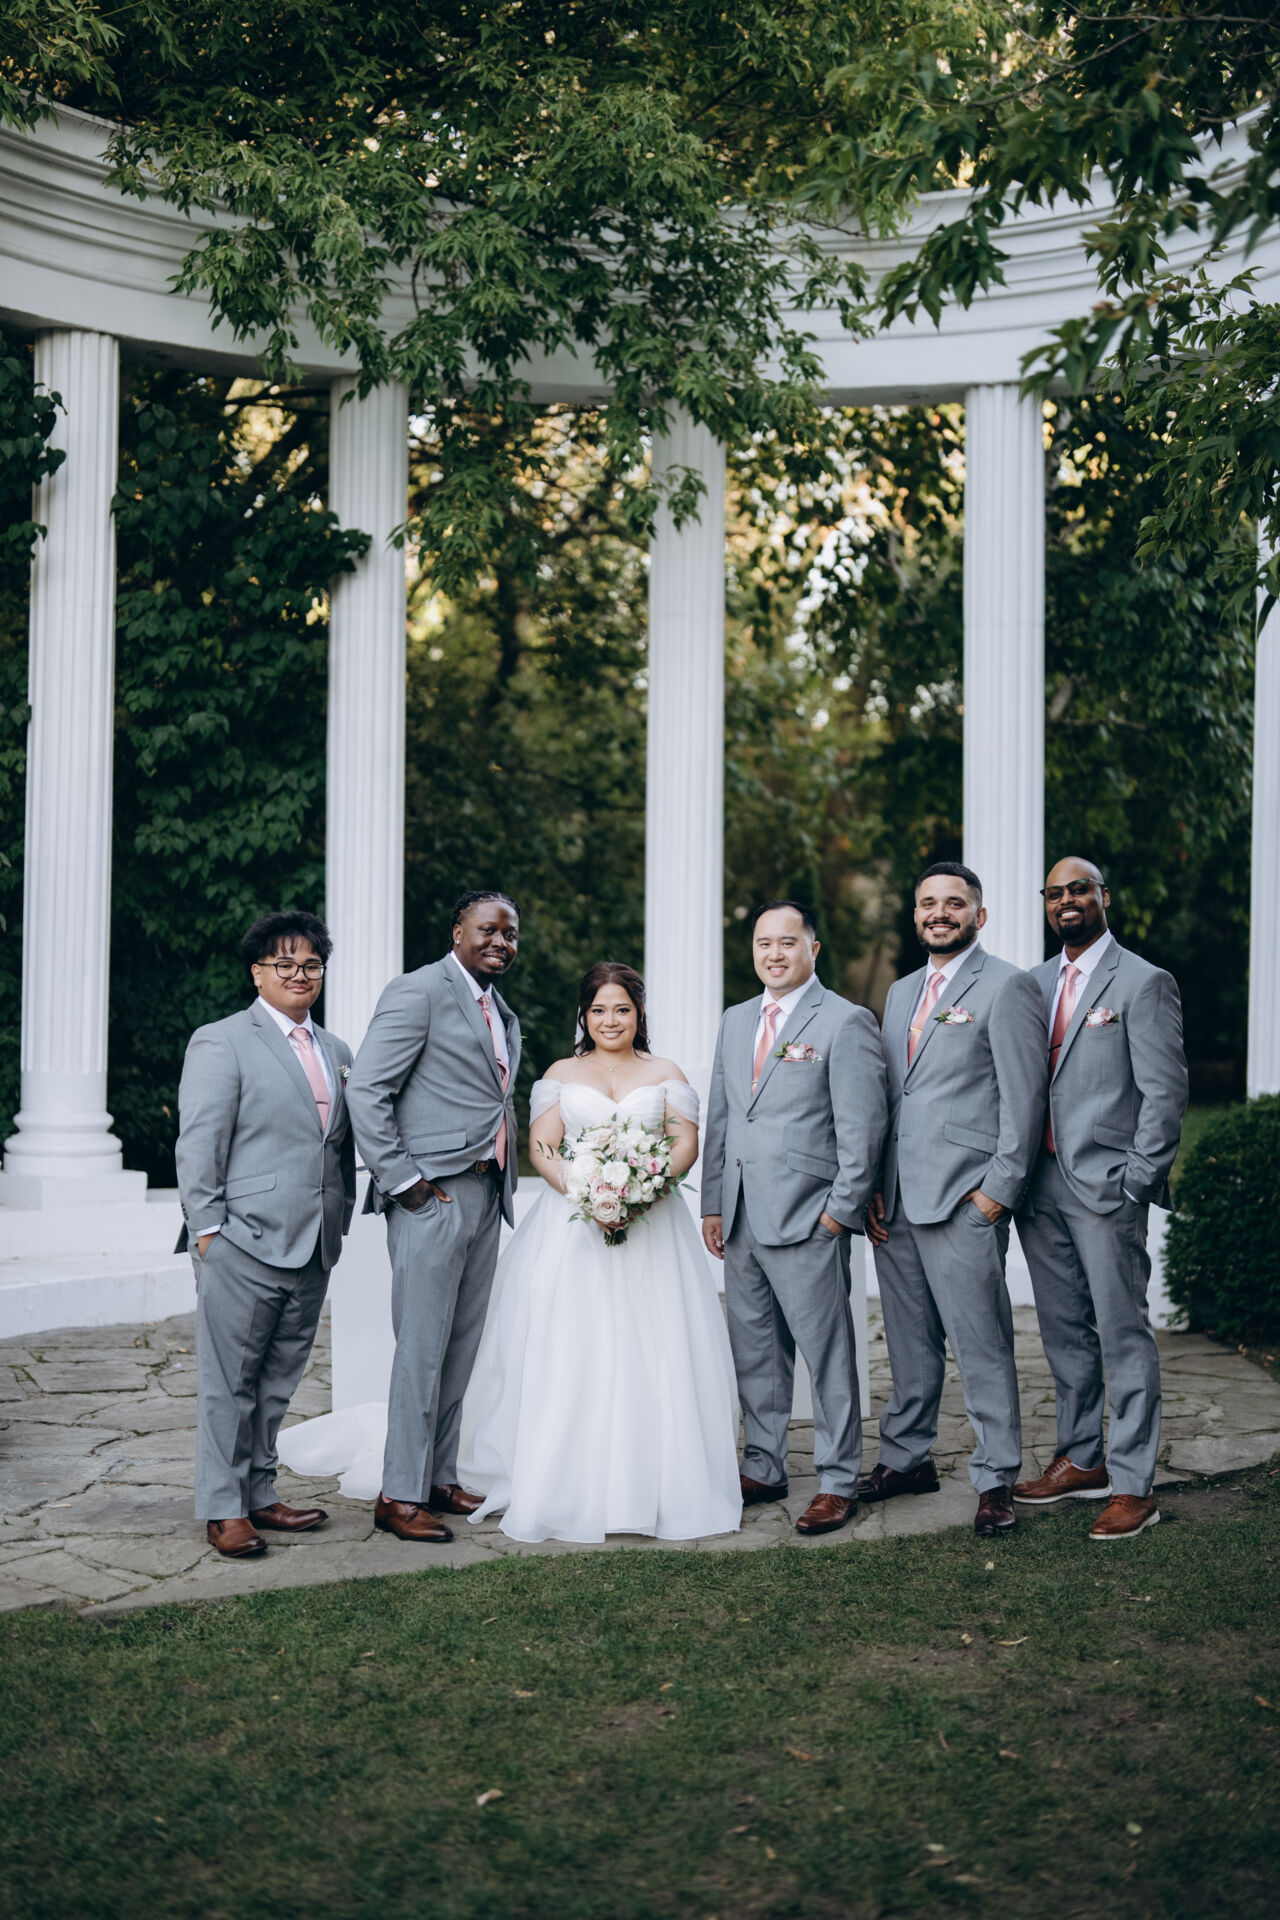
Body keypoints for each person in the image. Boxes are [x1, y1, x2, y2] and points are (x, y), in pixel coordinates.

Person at [457, 962, 741, 1543]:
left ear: (639, 1014)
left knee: (655, 1343)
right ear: (584, 1016)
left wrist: (644, 1191)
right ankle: (566, 1477)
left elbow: (685, 1142)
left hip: (653, 1227)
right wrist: (591, 1196)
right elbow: (543, 1147)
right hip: (574, 1228)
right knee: (573, 1344)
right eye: (599, 1010)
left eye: (622, 1009)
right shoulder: (561, 1073)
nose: (611, 1020)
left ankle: (658, 1481)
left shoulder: (665, 1072)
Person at [863, 863, 1048, 1537]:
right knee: (909, 1343)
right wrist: (874, 1184)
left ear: (979, 915)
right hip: (896, 1201)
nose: (939, 913)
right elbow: (893, 1094)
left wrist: (997, 1194)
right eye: (927, 903)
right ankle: (907, 1459)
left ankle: (996, 1477)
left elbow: (1025, 1099)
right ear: (916, 914)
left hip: (965, 1199)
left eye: (953, 903)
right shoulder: (901, 991)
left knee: (981, 1343)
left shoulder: (1007, 986)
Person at [1014, 857, 1188, 1540]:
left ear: (1103, 897)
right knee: (1064, 1331)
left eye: (1079, 889)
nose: (1067, 900)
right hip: (1040, 1186)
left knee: (1122, 1332)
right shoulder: (1032, 985)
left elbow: (1164, 1093)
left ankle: (1134, 1484)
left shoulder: (1143, 981)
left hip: (1107, 1185)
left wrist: (1136, 1180)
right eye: (1055, 893)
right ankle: (1082, 1458)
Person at [701, 902, 888, 1536]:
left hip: (810, 1216)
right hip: (741, 1217)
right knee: (755, 1350)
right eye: (764, 943)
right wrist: (713, 1203)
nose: (774, 954)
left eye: (788, 942)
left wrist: (838, 1214)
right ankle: (764, 1464)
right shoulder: (735, 1020)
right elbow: (724, 1117)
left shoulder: (845, 1020)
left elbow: (863, 1130)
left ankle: (837, 1480)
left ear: (813, 948)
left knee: (827, 1356)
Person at [342, 891, 521, 1543]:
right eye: (487, 929)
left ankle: (438, 1477)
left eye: (510, 933)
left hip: (487, 1193)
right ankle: (398, 1493)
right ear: (457, 932)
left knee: (459, 1347)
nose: (500, 941)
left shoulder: (501, 1010)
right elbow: (367, 1089)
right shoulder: (417, 991)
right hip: (433, 1196)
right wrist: (405, 1183)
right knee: (421, 1350)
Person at [175, 911, 355, 1560]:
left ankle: (259, 1492)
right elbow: (199, 1141)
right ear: (258, 973)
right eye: (285, 964)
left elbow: (338, 1148)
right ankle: (223, 1509)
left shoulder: (337, 1051)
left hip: (314, 1243)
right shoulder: (222, 1041)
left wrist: (340, 1215)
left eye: (311, 965)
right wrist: (209, 1233)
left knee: (277, 1383)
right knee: (230, 1384)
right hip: (241, 1243)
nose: (299, 975)